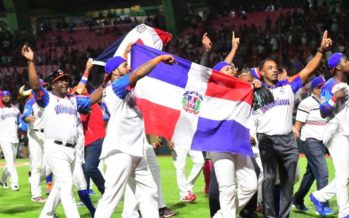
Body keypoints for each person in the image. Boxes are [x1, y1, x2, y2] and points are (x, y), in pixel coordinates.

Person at [21, 45, 106, 218]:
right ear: (52, 85)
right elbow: (36, 85)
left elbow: (92, 100)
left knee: (62, 185)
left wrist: (106, 83)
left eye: (66, 79)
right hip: (56, 148)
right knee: (67, 186)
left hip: (73, 150)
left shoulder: (73, 99)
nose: (65, 82)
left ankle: (46, 215)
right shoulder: (47, 98)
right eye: (60, 80)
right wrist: (30, 61)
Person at [255, 31, 332, 218]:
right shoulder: (254, 90)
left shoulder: (288, 86)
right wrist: (252, 84)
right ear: (262, 72)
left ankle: (283, 215)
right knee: (270, 178)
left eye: (276, 67)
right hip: (267, 141)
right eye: (270, 67)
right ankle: (270, 215)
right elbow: (235, 81)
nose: (274, 69)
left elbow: (308, 69)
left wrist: (321, 50)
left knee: (288, 182)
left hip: (288, 142)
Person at [94, 51, 176, 218]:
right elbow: (138, 73)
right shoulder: (116, 87)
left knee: (149, 192)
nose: (128, 67)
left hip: (134, 149)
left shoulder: (120, 89)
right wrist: (159, 58)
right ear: (114, 72)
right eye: (124, 66)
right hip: (120, 151)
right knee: (111, 197)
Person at [310, 52, 349, 218]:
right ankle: (344, 212)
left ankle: (319, 196)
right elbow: (322, 112)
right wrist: (334, 97)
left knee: (346, 174)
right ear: (338, 66)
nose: (348, 62)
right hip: (335, 134)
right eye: (346, 60)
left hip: (344, 132)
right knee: (343, 175)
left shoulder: (345, 84)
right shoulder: (330, 85)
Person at [74, 59, 106, 195]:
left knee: (90, 168)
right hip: (86, 140)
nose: (77, 92)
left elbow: (80, 88)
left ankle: (106, 191)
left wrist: (87, 70)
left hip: (95, 138)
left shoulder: (87, 101)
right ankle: (86, 193)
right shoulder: (82, 100)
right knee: (84, 167)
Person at [22, 80, 51, 202]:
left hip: (49, 135)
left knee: (50, 166)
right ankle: (36, 194)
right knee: (37, 166)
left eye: (44, 87)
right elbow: (25, 116)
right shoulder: (30, 102)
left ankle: (33, 180)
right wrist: (28, 118)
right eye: (40, 87)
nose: (42, 89)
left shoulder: (50, 100)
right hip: (35, 135)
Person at [0, 90, 20, 191]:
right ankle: (15, 184)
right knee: (11, 162)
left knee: (10, 163)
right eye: (4, 96)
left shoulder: (15, 110)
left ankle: (2, 180)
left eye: (8, 95)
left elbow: (19, 123)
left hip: (14, 139)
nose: (6, 97)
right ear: (1, 98)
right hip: (3, 139)